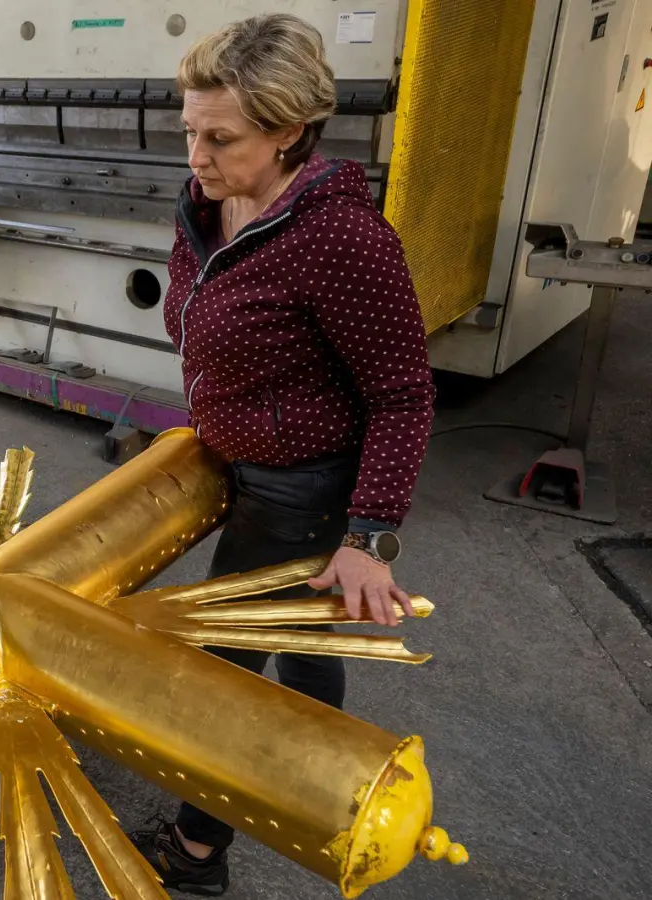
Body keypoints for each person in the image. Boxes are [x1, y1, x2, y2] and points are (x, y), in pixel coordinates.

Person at [126, 14, 436, 895]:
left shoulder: (342, 242)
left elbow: (403, 395)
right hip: (241, 460)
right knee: (302, 644)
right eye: (189, 129)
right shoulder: (211, 202)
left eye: (221, 138)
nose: (197, 154)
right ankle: (319, 783)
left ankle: (195, 851)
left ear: (291, 131)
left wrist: (368, 537)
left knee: (224, 671)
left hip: (300, 487)